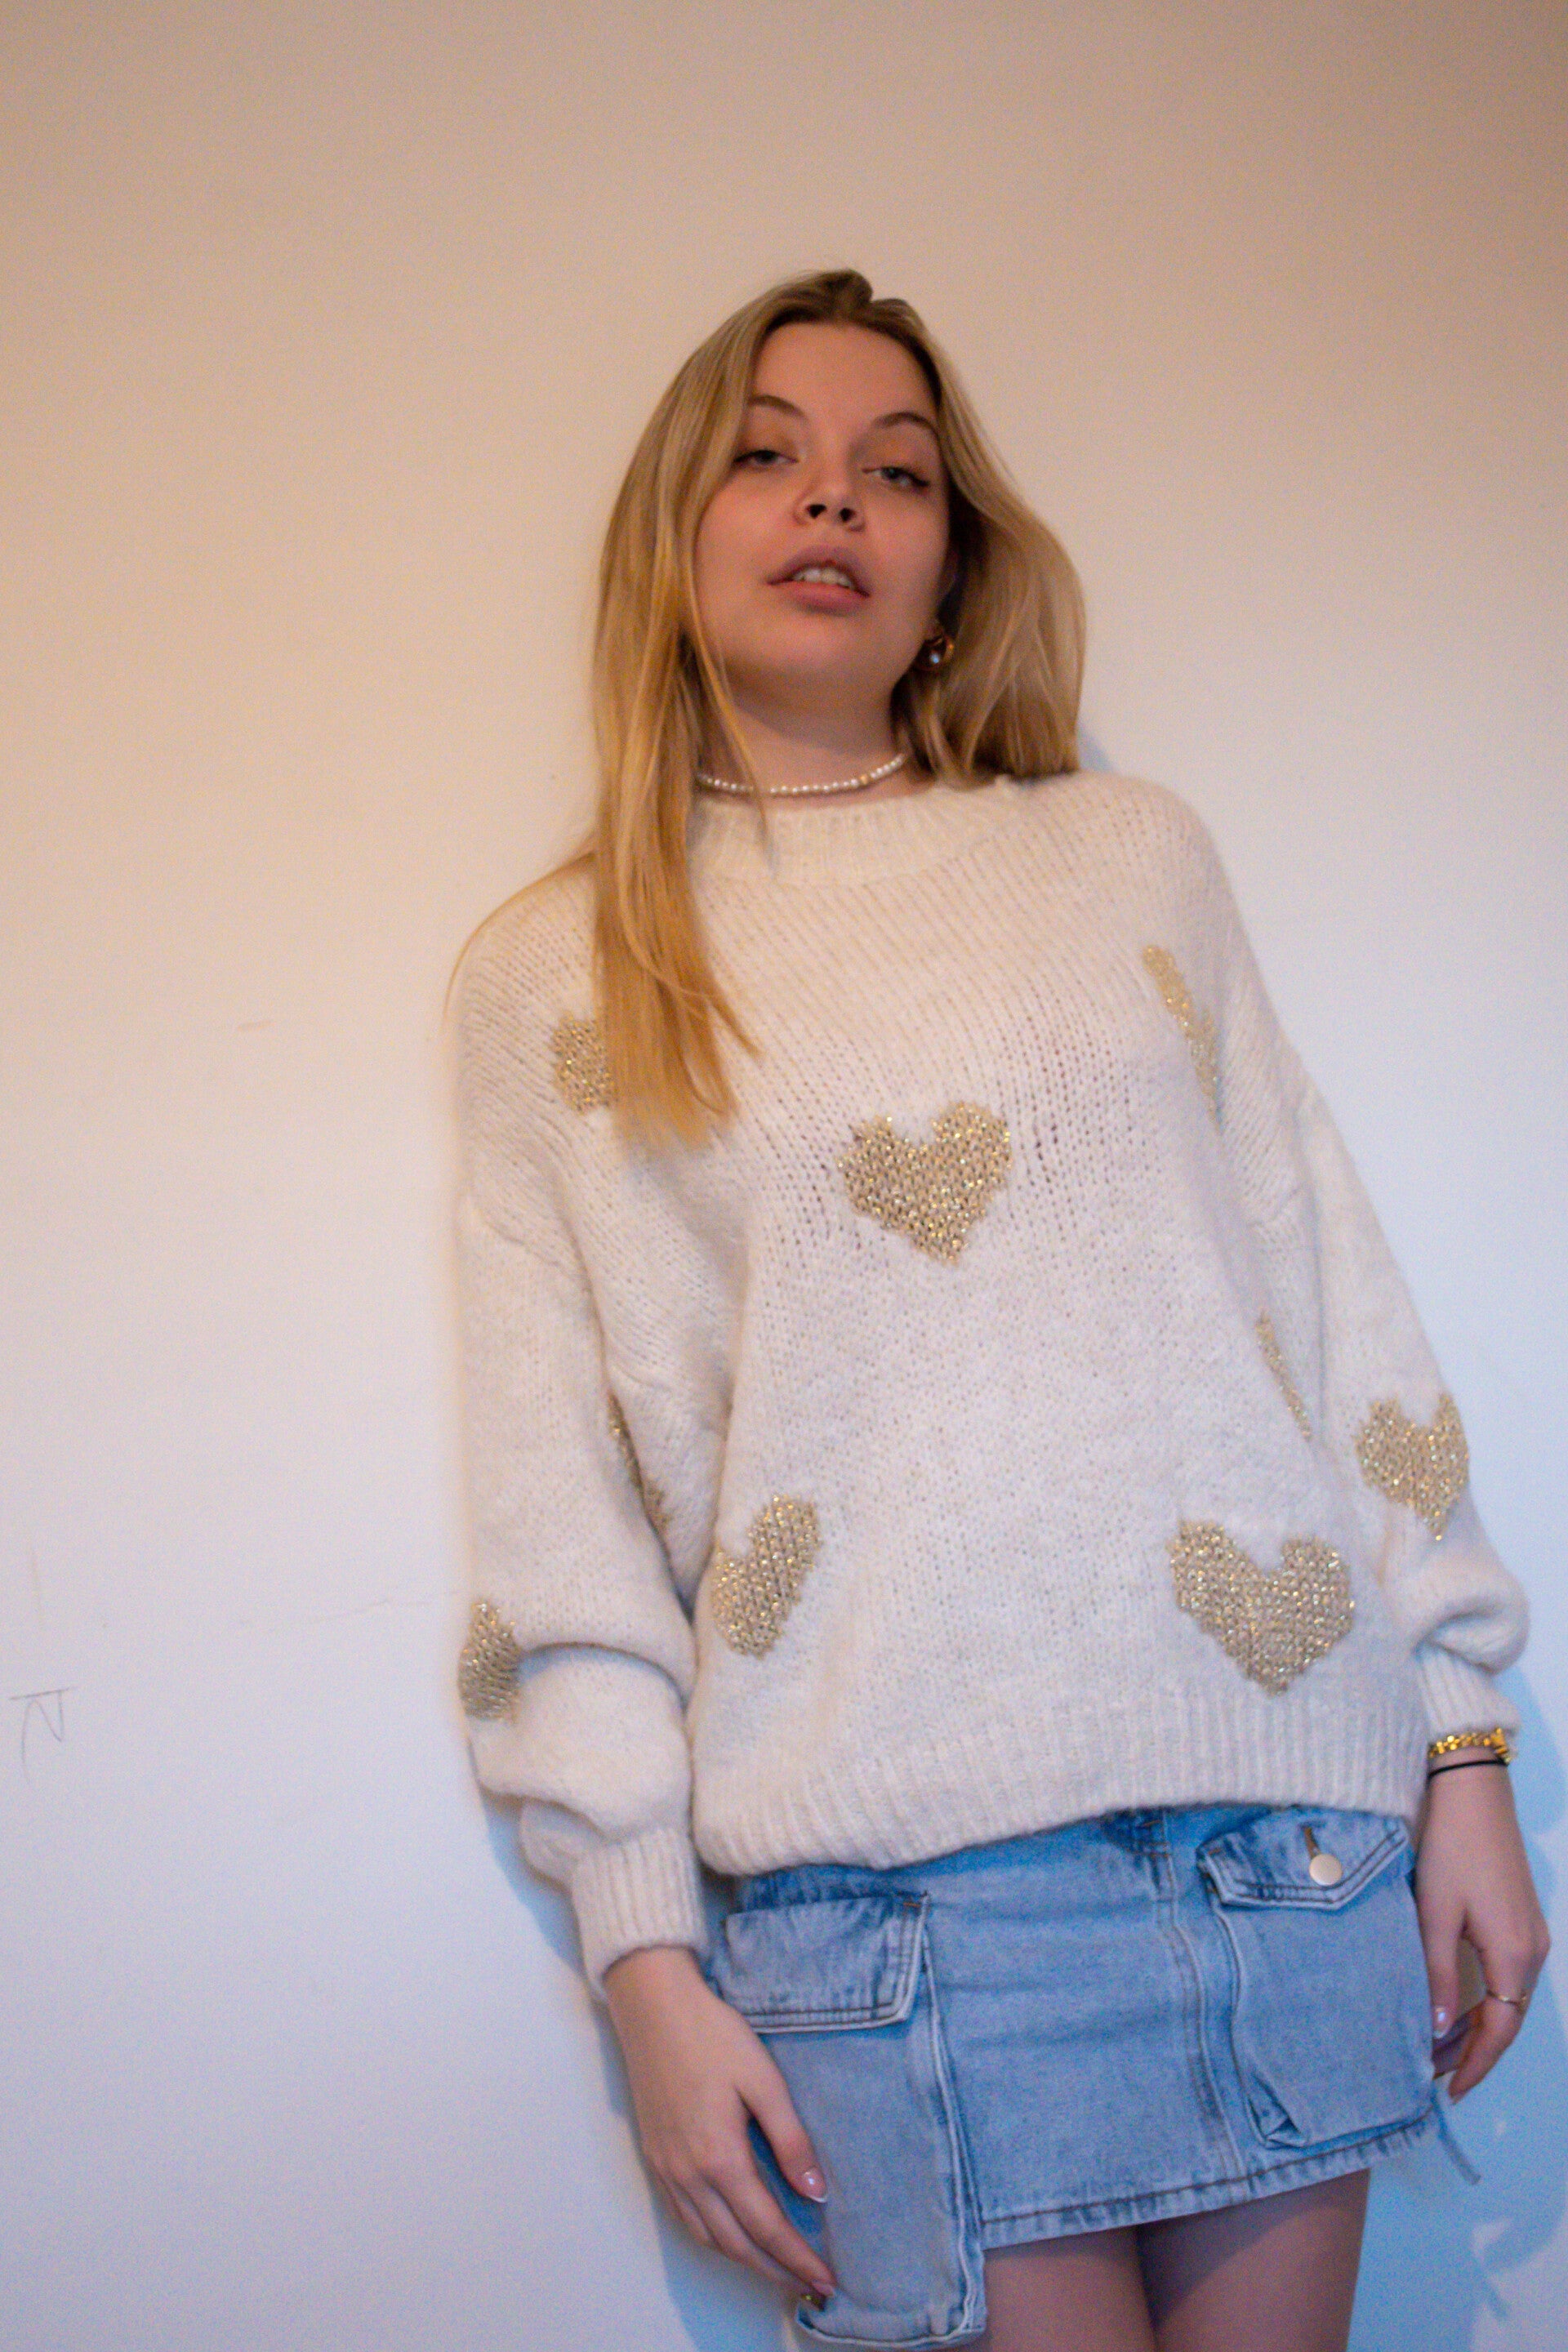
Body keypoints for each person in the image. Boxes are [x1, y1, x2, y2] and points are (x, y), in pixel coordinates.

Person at [448, 269, 1548, 2352]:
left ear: (954, 562)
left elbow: (1330, 1308)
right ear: (672, 534)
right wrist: (643, 1960)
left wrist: (1466, 1743)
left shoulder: (1132, 858)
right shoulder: (562, 974)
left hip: (1284, 1850)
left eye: (897, 472)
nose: (833, 501)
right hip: (898, 1917)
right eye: (766, 455)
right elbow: (554, 1520)